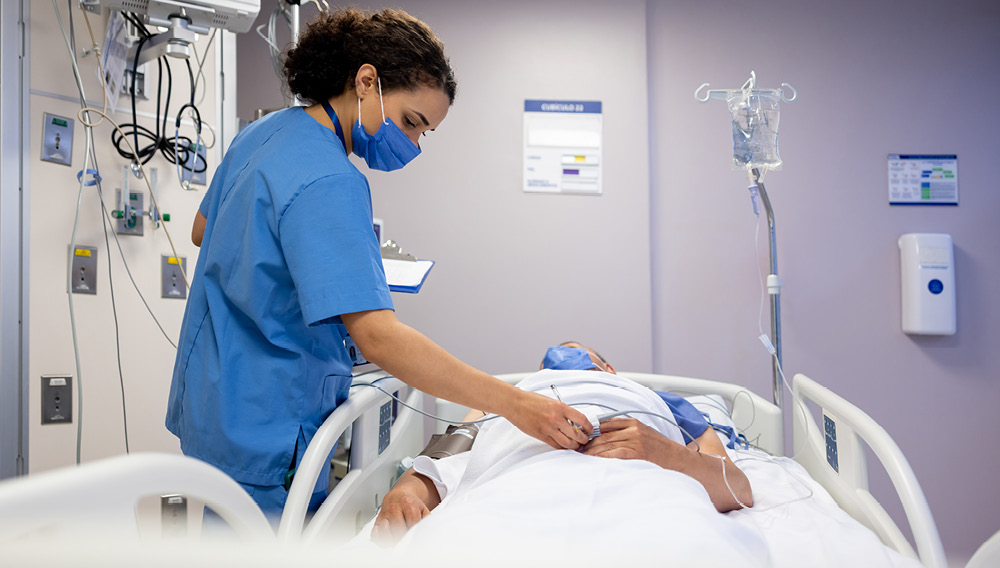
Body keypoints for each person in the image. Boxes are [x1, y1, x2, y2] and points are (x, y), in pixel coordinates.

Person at [166, 8, 591, 519]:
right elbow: (378, 337)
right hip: (267, 420)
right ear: (366, 81)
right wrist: (518, 404)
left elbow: (204, 230)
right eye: (411, 122)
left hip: (212, 396)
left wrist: (308, 263)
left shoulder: (262, 134)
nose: (411, 144)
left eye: (424, 133)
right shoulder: (332, 180)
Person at [371, 342, 754, 544]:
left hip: (642, 483)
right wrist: (404, 494)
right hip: (517, 482)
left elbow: (736, 488)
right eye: (550, 361)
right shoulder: (513, 397)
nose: (559, 357)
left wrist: (667, 452)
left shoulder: (660, 401)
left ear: (608, 369)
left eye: (575, 351)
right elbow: (447, 452)